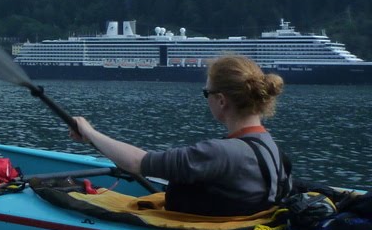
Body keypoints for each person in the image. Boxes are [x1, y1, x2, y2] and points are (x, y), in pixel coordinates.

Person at [69, 55, 291, 215]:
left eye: (207, 93)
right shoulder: (271, 147)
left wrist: (89, 132)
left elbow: (137, 163)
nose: (206, 99)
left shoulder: (218, 153)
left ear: (221, 100)